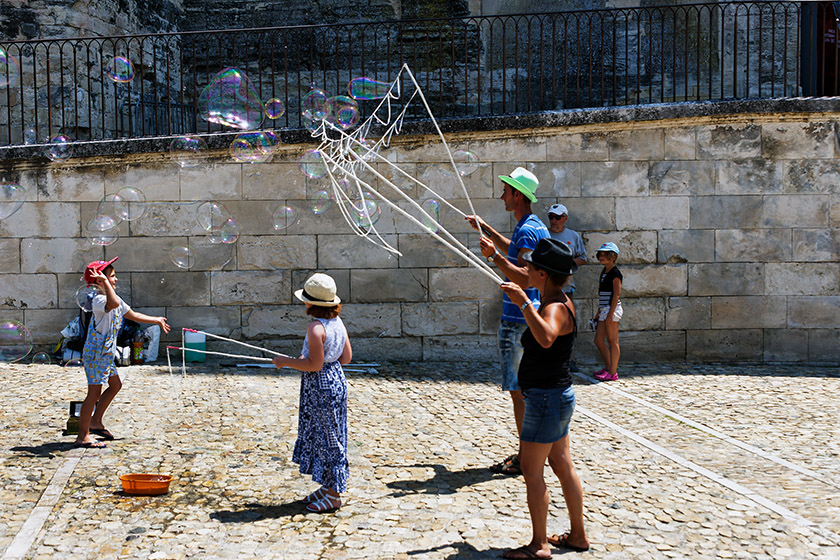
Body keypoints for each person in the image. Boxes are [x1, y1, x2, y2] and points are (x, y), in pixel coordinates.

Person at [499, 238, 589, 558]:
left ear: (544, 274)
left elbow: (547, 337)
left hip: (547, 398)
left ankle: (539, 545)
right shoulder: (557, 298)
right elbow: (523, 282)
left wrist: (524, 303)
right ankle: (578, 535)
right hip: (557, 395)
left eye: (532, 266)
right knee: (562, 463)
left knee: (530, 468)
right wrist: (499, 262)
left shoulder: (553, 308)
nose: (528, 269)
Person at [465, 166, 549, 477]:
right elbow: (516, 253)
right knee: (525, 391)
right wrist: (487, 230)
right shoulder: (532, 226)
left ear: (518, 195)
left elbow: (527, 277)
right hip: (525, 318)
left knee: (519, 392)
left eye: (506, 191)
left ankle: (527, 456)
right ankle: (528, 453)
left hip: (517, 321)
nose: (502, 195)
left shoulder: (528, 230)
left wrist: (494, 258)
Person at [273, 273, 352, 513]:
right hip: (337, 380)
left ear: (311, 304)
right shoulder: (338, 323)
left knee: (328, 438)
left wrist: (285, 361)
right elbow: (346, 358)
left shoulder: (315, 328)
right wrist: (311, 359)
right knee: (332, 433)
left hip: (320, 386)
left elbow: (314, 365)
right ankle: (328, 487)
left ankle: (334, 495)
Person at [76, 257, 170, 448]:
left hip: (105, 354)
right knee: (93, 394)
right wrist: (103, 282)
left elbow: (132, 314)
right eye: (112, 276)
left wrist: (156, 320)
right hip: (95, 355)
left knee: (115, 384)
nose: (116, 279)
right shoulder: (99, 300)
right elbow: (112, 303)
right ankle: (82, 436)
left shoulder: (113, 297)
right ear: (99, 280)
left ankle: (96, 422)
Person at [546, 203, 586, 373]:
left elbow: (582, 257)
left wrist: (567, 264)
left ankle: (568, 359)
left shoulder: (573, 236)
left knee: (568, 326)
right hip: (546, 289)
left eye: (557, 217)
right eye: (551, 217)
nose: (553, 221)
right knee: (546, 324)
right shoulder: (544, 235)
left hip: (567, 288)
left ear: (565, 218)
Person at [593, 242, 623, 382]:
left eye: (606, 254)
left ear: (613, 256)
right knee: (599, 340)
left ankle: (612, 372)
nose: (602, 257)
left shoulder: (616, 273)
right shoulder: (604, 271)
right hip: (604, 309)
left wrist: (611, 314)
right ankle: (608, 367)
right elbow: (602, 293)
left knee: (612, 341)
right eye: (601, 254)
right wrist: (599, 311)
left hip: (612, 309)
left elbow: (616, 294)